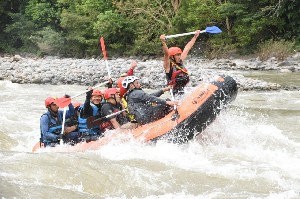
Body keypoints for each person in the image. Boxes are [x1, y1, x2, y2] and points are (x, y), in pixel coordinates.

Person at [160, 30, 201, 95]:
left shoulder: (180, 61)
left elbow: (187, 48)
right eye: (177, 55)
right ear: (172, 57)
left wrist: (195, 37)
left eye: (180, 54)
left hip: (183, 90)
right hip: (174, 93)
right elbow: (166, 53)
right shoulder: (167, 65)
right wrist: (163, 42)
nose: (179, 57)